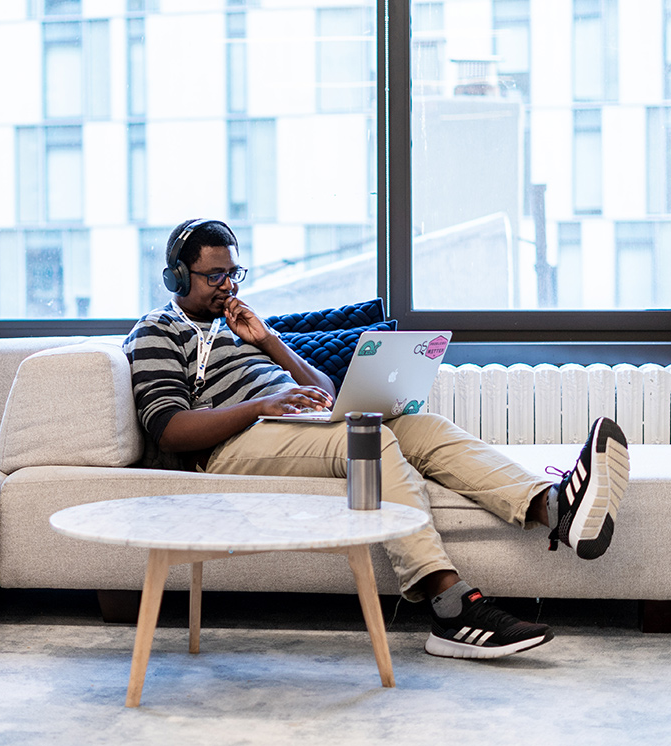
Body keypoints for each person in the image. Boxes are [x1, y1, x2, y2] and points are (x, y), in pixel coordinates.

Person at [123, 217, 630, 660]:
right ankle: (450, 608)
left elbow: (323, 392)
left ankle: (555, 508)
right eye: (215, 276)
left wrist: (271, 343)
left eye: (235, 273)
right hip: (231, 446)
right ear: (177, 277)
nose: (228, 285)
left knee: (425, 428)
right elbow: (169, 427)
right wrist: (261, 405)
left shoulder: (244, 329)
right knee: (371, 440)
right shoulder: (158, 330)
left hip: (289, 426)